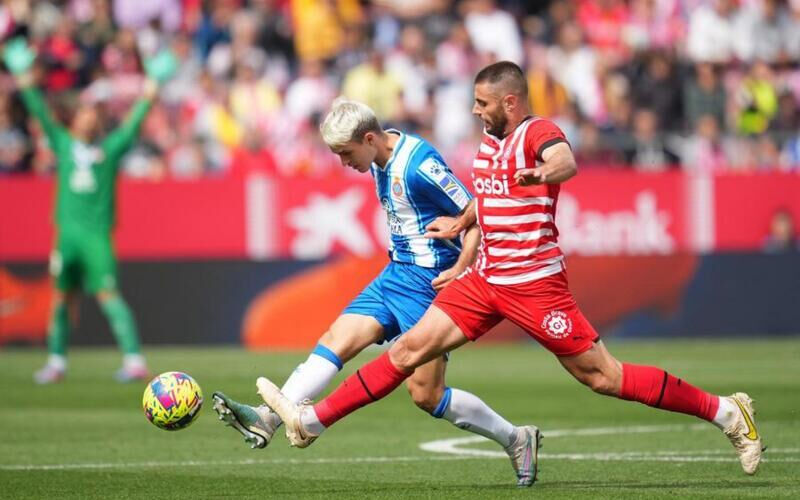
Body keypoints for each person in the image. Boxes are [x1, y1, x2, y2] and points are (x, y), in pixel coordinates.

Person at [255, 62, 764, 478]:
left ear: (510, 102)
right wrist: (462, 226)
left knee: (604, 377)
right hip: (485, 280)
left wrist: (542, 172)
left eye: (482, 103)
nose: (476, 112)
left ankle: (725, 412)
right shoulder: (490, 144)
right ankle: (311, 423)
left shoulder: (534, 132)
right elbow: (489, 198)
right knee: (410, 351)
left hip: (536, 285)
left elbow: (565, 161)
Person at [212, 98, 542, 487]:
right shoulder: (377, 157)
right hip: (395, 275)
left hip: (428, 286)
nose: (343, 163)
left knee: (426, 395)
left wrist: (460, 268)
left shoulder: (419, 165)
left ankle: (516, 438)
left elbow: (476, 212)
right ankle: (266, 419)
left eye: (346, 154)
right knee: (337, 338)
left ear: (369, 138)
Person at [2, 38, 178, 383]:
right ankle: (56, 361)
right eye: (82, 113)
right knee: (61, 296)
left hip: (97, 236)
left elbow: (133, 124)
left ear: (97, 123)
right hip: (66, 235)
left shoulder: (109, 150)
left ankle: (134, 359)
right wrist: (23, 76)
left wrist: (152, 85)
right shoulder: (63, 143)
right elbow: (38, 110)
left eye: (92, 115)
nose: (87, 119)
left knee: (109, 295)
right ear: (73, 120)